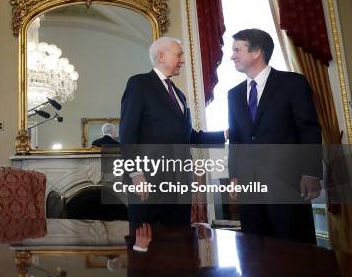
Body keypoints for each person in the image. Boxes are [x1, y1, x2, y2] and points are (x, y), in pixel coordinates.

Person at [227, 28, 322, 244]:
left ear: (256, 52)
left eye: (237, 49)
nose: (232, 56)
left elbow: (309, 129)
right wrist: (234, 176)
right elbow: (237, 139)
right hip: (249, 187)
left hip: (287, 184)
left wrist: (311, 172)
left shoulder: (293, 83)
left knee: (294, 248)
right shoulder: (233, 95)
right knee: (255, 251)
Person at [120, 36, 226, 226]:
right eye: (179, 54)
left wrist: (224, 134)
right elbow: (128, 133)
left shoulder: (180, 95)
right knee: (147, 246)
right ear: (161, 56)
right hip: (148, 181)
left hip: (180, 183)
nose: (183, 60)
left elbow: (189, 136)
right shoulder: (139, 84)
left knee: (179, 245)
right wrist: (136, 174)